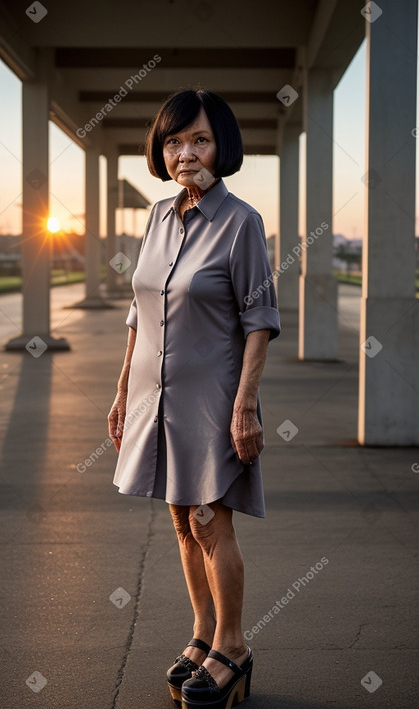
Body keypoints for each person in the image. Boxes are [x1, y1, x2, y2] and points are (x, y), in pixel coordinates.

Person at [108, 88, 280, 709]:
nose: (185, 153)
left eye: (199, 139)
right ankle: (203, 634)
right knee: (181, 518)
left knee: (211, 521)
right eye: (174, 141)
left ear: (222, 146)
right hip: (156, 395)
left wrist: (246, 406)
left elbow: (259, 319)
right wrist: (124, 388)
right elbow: (139, 312)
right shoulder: (157, 217)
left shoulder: (242, 224)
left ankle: (234, 646)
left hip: (213, 395)